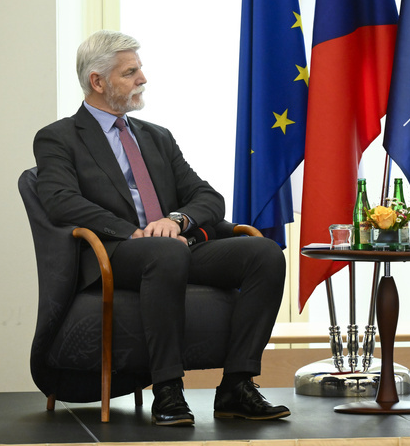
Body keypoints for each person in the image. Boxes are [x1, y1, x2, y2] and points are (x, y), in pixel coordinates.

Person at [33, 30, 290, 426]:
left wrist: (176, 220)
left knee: (264, 254)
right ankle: (168, 389)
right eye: (129, 72)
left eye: (139, 69)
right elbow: (60, 200)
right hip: (115, 252)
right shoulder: (58, 137)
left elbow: (206, 196)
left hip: (172, 246)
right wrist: (130, 231)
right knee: (165, 252)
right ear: (97, 81)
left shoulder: (156, 136)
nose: (142, 79)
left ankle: (237, 385)